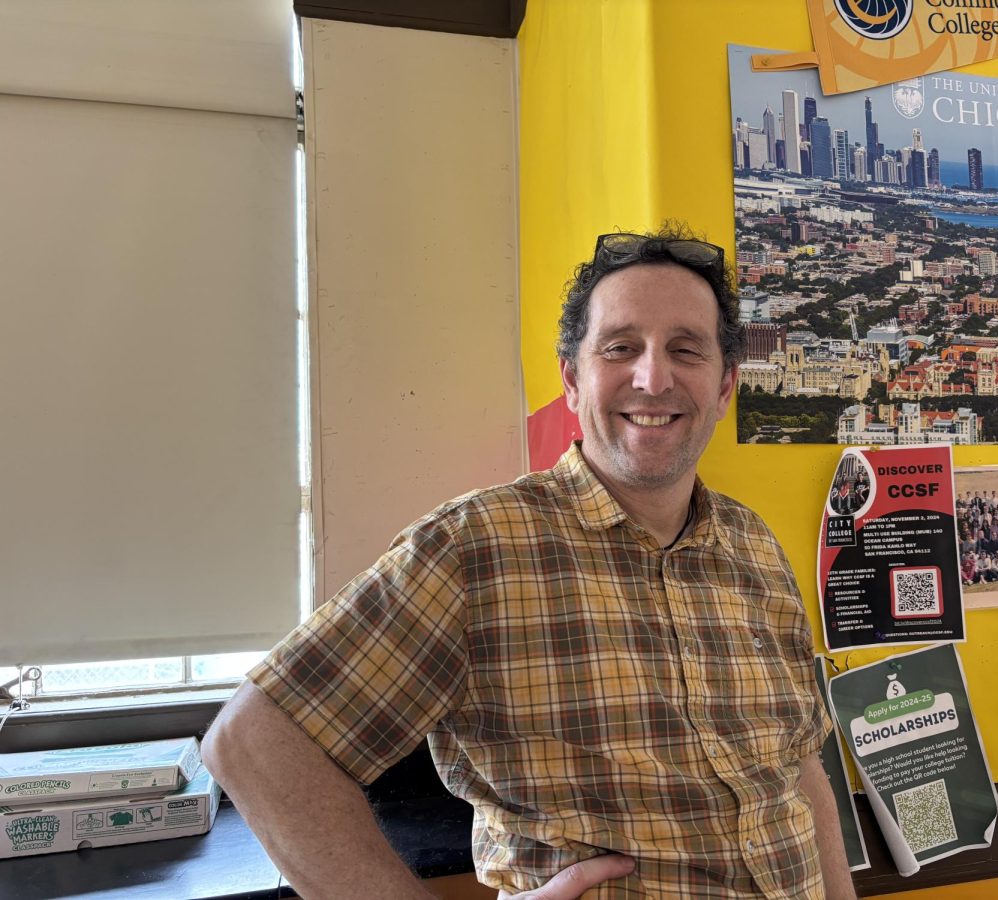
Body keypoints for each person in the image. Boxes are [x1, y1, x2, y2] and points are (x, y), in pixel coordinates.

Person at [201, 227, 855, 900]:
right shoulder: (475, 547)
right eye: (621, 347)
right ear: (573, 380)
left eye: (685, 350)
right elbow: (255, 743)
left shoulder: (754, 549)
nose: (653, 377)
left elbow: (798, 769)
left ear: (724, 389)